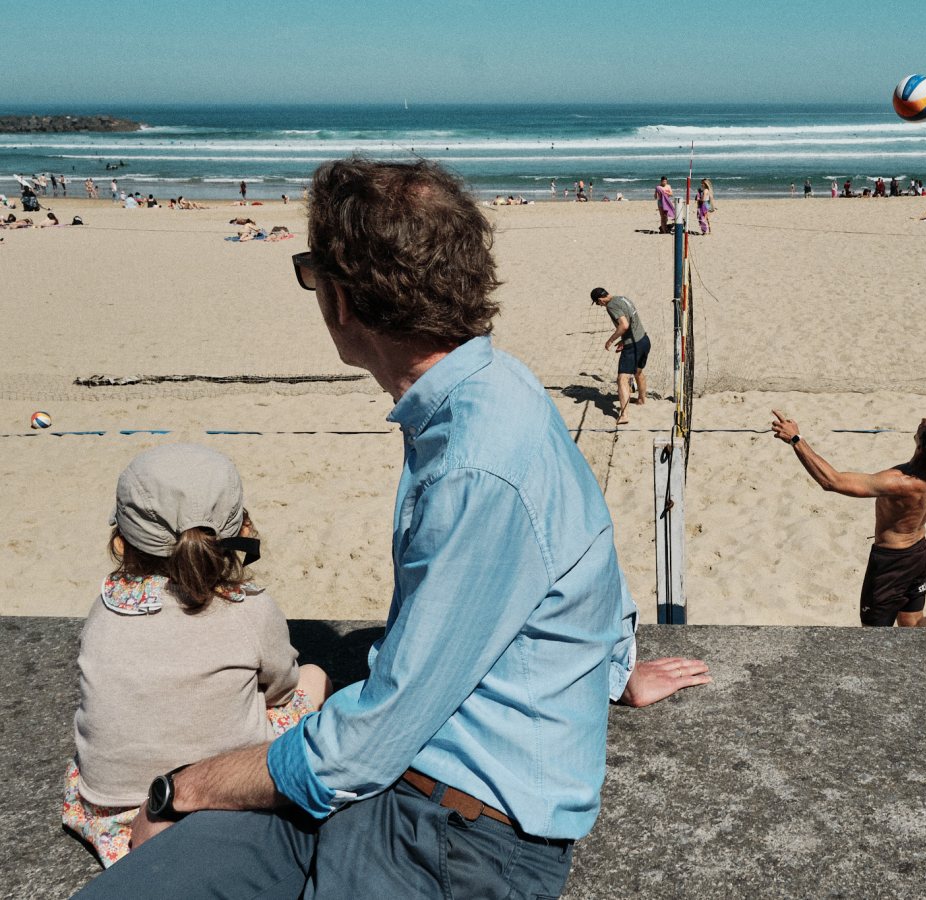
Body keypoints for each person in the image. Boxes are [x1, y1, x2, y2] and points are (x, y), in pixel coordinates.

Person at [74, 159, 708, 899]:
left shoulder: (475, 463)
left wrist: (184, 786)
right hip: (399, 790)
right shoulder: (491, 392)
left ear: (343, 301)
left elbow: (363, 746)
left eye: (313, 274)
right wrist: (605, 667)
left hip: (451, 830)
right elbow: (577, 545)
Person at [63, 444, 332, 868]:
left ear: (121, 539)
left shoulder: (107, 605)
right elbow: (282, 689)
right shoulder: (250, 607)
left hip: (109, 810)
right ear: (239, 527)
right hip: (223, 791)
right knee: (314, 677)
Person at [770, 391, 926, 627]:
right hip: (919, 552)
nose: (922, 419)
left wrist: (796, 439)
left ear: (921, 445)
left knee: (874, 633)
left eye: (925, 425)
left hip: (891, 562)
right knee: (911, 625)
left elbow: (832, 481)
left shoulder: (900, 482)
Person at [591, 287, 651, 425]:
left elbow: (624, 325)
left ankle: (624, 415)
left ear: (600, 300)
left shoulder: (611, 306)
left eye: (598, 304)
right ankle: (642, 399)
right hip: (644, 340)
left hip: (633, 346)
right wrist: (624, 340)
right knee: (638, 372)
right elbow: (632, 323)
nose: (600, 306)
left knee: (622, 378)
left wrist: (611, 340)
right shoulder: (623, 298)